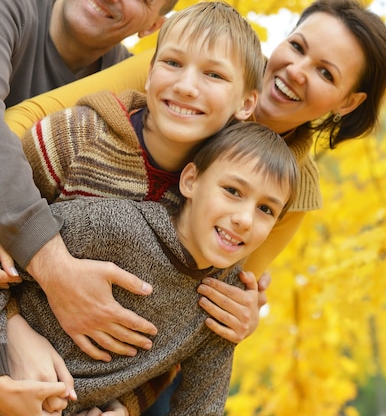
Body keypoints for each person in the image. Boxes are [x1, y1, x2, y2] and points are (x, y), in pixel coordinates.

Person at [2, 0, 386, 413]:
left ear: (348, 102)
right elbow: (21, 127)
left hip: (118, 363)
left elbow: (192, 312)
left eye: (325, 73)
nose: (295, 71)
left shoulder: (293, 193)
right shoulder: (189, 69)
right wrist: (23, 236)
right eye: (297, 46)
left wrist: (125, 405)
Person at [1, 0, 265, 415]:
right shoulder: (77, 136)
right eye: (173, 63)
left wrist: (123, 405)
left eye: (213, 74)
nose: (187, 86)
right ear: (150, 69)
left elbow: (170, 337)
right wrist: (11, 333)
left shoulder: (217, 210)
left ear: (247, 104)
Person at [0, 121, 299, 416]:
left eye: (266, 210)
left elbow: (202, 406)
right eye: (233, 190)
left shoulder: (223, 304)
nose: (245, 219)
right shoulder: (108, 226)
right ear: (191, 181)